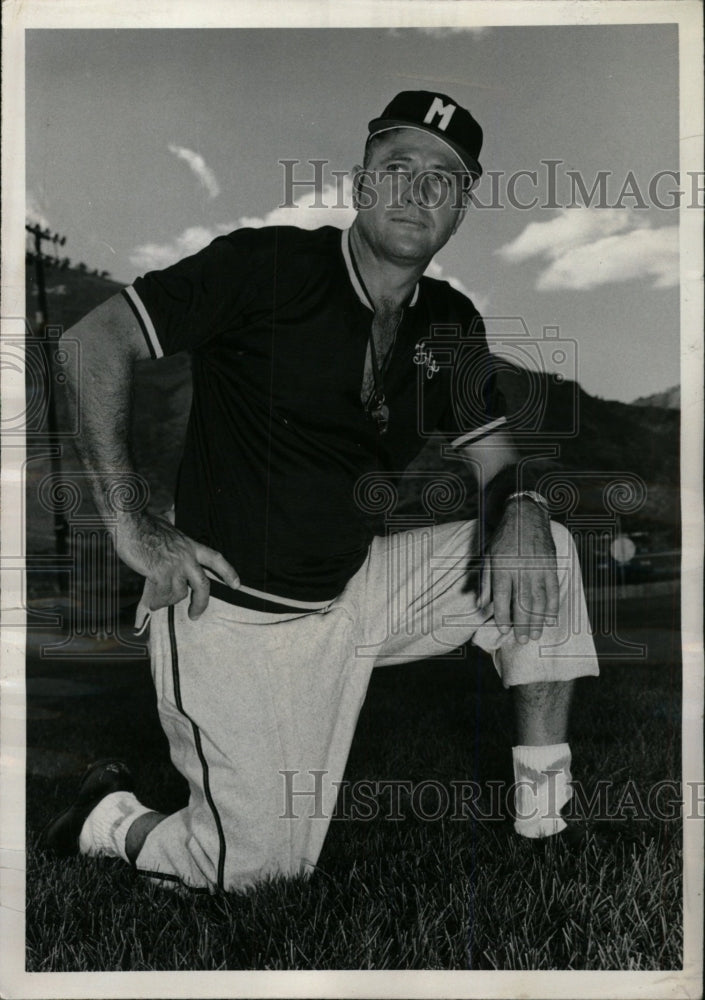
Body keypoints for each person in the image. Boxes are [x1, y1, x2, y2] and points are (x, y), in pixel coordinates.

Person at [41, 91, 599, 892]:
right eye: (397, 167)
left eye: (443, 177)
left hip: (355, 587)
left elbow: (496, 452)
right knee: (256, 871)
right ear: (361, 183)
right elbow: (93, 340)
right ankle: (110, 816)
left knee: (549, 548)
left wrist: (521, 507)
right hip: (231, 608)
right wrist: (131, 524)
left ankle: (543, 823)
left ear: (463, 207)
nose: (418, 190)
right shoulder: (267, 267)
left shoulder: (447, 319)